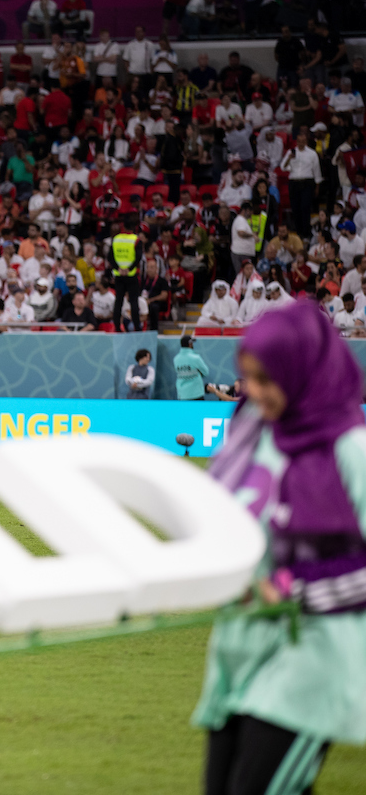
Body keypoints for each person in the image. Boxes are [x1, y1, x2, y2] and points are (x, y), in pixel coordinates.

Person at [199, 303, 366, 794]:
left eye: (267, 380)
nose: (253, 392)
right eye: (248, 377)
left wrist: (292, 588)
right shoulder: (250, 431)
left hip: (311, 657)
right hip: (240, 649)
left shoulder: (349, 450)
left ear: (302, 372)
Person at [109, 215, 143, 332]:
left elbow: (110, 257)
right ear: (134, 228)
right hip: (131, 275)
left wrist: (118, 268)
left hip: (119, 275)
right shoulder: (136, 239)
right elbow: (138, 257)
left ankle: (117, 327)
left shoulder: (116, 239)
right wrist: (129, 269)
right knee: (133, 301)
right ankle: (137, 327)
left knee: (118, 301)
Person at [173, 335, 208, 400]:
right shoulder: (196, 358)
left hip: (182, 394)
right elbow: (206, 372)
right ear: (190, 344)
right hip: (196, 393)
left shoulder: (176, 359)